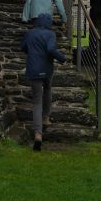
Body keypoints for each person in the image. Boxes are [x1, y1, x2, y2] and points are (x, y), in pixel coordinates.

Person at [21, 12, 67, 150]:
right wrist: (62, 58)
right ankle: (46, 117)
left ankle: (37, 135)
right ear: (49, 22)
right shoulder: (50, 34)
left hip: (33, 69)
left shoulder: (30, 33)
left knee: (36, 101)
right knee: (48, 89)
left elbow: (23, 47)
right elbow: (51, 49)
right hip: (47, 69)